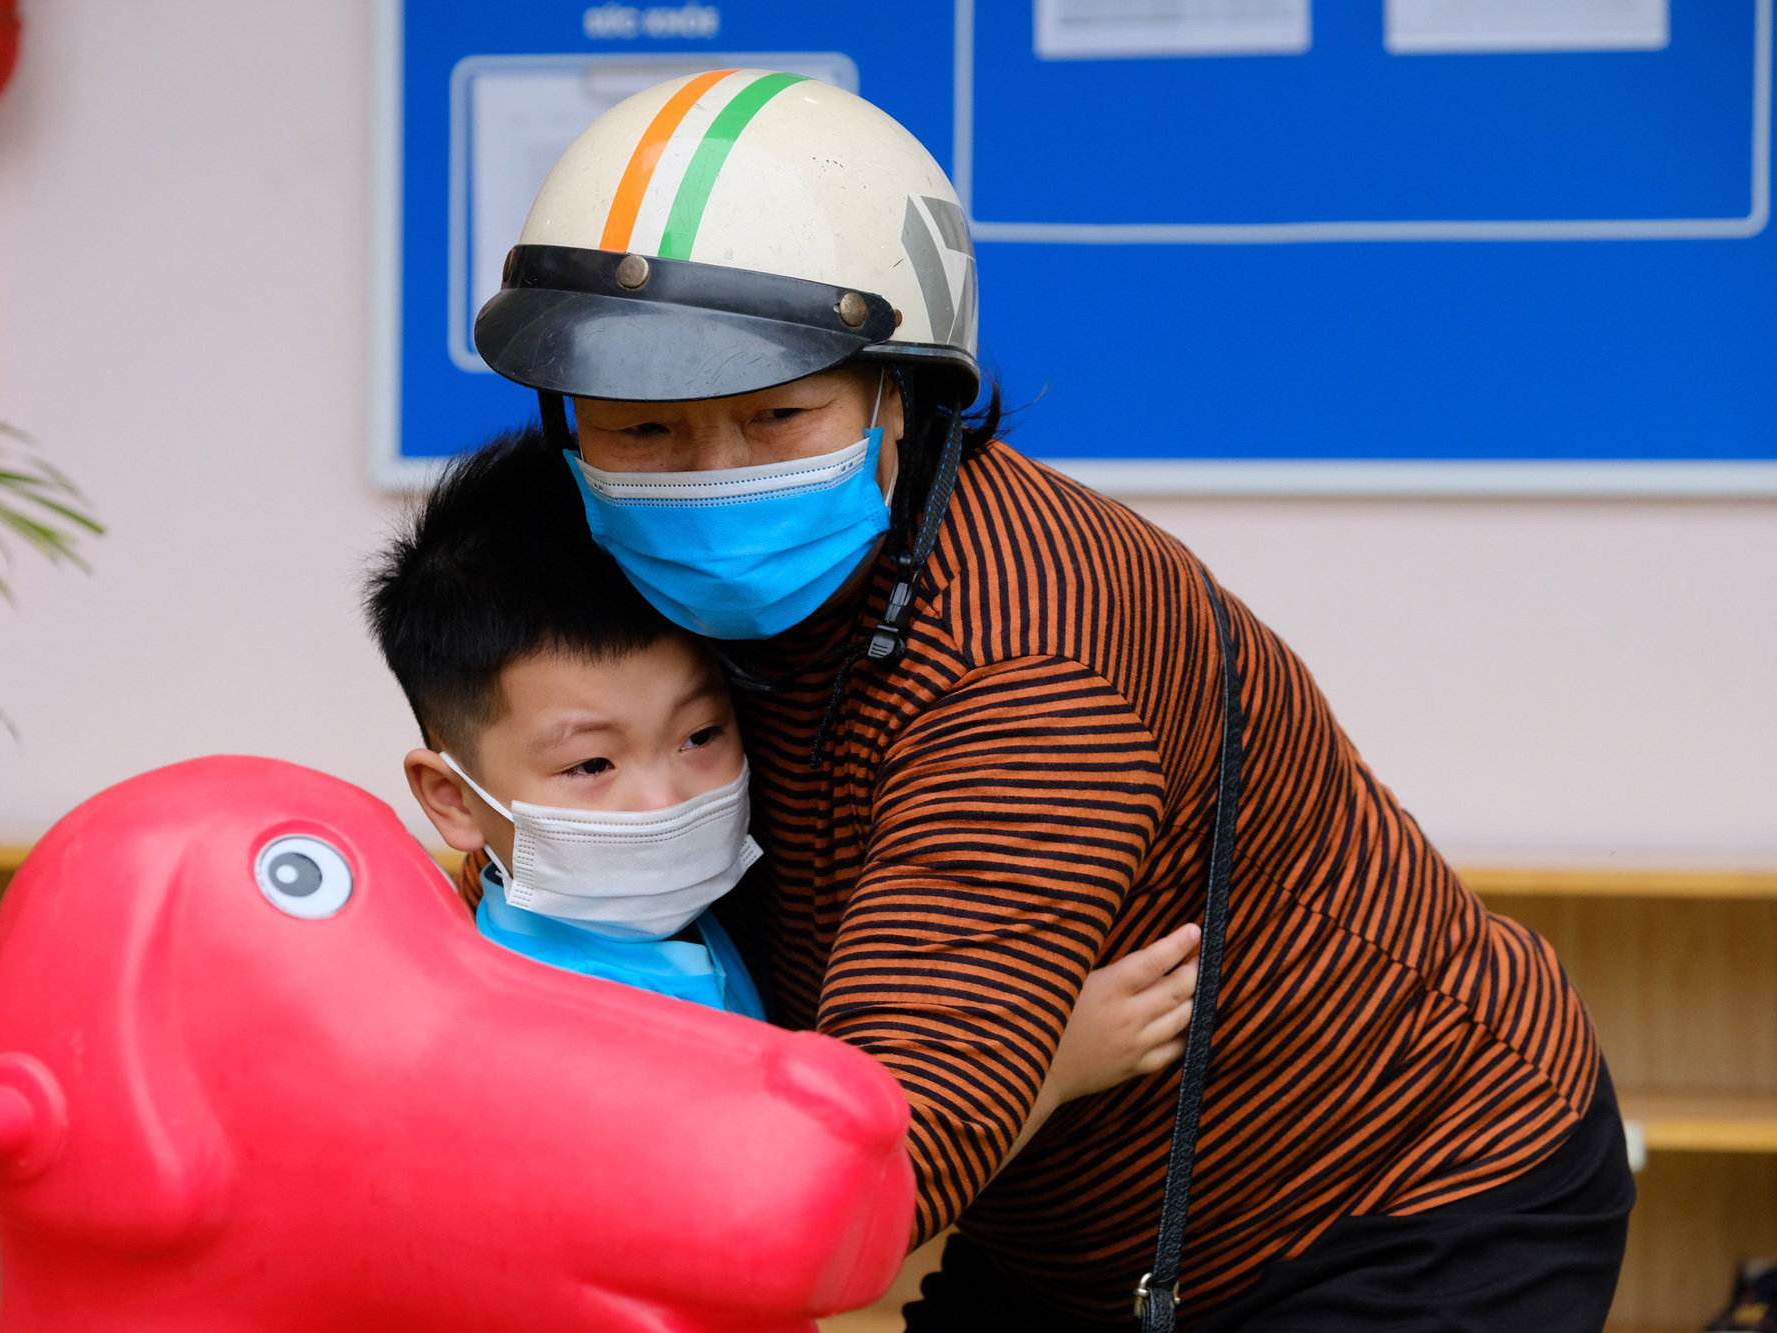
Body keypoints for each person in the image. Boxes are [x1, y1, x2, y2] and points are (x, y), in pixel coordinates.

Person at [469, 71, 1635, 1331]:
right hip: (1061, 1206)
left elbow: (850, 1169)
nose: (710, 478)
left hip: (1398, 1195)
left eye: (775, 416)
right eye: (645, 430)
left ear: (903, 398)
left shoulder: (1028, 665)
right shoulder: (615, 563)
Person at [363, 431, 1200, 1124]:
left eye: (701, 734)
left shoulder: (661, 932)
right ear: (452, 797)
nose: (665, 800)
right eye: (591, 764)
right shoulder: (536, 1035)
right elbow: (775, 1211)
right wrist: (1048, 1070)